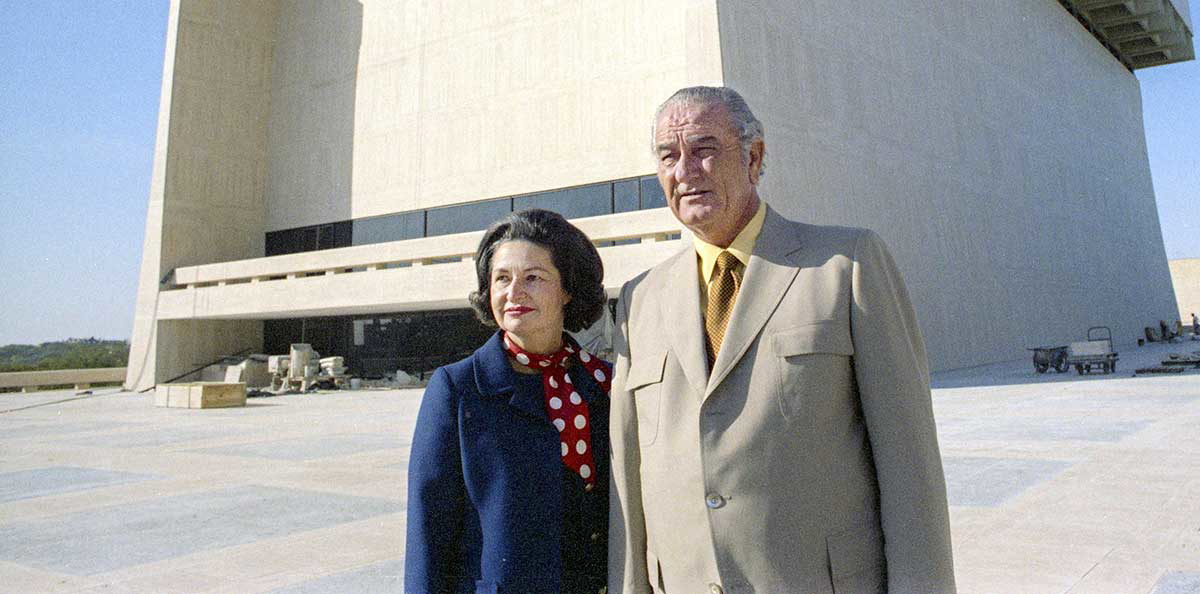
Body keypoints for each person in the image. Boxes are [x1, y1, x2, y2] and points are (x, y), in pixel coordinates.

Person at [608, 86, 955, 593]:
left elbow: (910, 465)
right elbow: (629, 479)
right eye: (668, 156)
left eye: (704, 149)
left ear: (754, 157)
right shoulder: (639, 299)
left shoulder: (846, 265)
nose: (684, 171)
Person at [405, 209, 611, 594]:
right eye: (502, 278)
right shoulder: (458, 389)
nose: (514, 292)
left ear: (567, 289)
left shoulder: (605, 383)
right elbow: (428, 534)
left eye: (533, 277)